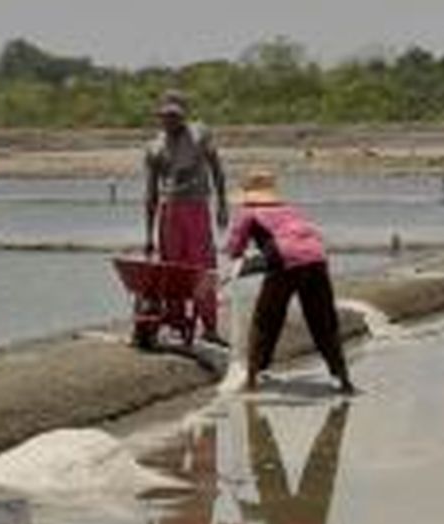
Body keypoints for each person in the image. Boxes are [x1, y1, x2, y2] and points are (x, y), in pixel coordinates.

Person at [225, 169, 354, 393]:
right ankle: (343, 378)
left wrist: (241, 261)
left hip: (284, 259)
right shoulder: (290, 210)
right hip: (316, 258)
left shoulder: (248, 213)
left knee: (265, 319)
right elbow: (307, 237)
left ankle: (252, 379)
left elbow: (235, 249)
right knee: (323, 320)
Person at [144, 89, 228, 344]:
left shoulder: (200, 134)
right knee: (172, 268)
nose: (170, 121)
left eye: (175, 116)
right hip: (169, 212)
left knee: (203, 267)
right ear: (160, 117)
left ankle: (210, 327)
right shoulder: (154, 147)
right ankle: (177, 322)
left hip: (196, 208)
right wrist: (148, 235)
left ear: (184, 115)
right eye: (166, 116)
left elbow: (216, 168)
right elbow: (150, 193)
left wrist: (223, 204)